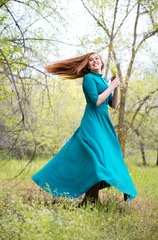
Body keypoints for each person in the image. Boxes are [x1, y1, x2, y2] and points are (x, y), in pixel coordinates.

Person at [31, 52, 137, 205]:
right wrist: (111, 86)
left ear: (101, 63)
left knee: (106, 157)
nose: (94, 61)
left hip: (103, 123)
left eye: (97, 59)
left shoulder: (102, 81)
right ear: (88, 65)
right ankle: (88, 199)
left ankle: (89, 200)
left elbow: (113, 105)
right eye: (91, 60)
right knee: (97, 159)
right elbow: (96, 101)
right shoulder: (88, 79)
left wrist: (116, 88)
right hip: (92, 122)